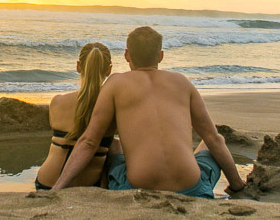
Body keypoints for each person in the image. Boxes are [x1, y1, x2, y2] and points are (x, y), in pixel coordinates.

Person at [50, 26, 244, 199]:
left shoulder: (116, 83)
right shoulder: (182, 82)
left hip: (136, 189)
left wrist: (57, 188)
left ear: (127, 55)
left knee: (114, 146)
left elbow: (90, 141)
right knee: (210, 142)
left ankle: (107, 189)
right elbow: (213, 138)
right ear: (160, 56)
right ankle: (235, 187)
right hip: (192, 189)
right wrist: (237, 185)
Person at [33, 42, 116, 191]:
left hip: (46, 183)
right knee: (114, 145)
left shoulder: (57, 102)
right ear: (109, 70)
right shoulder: (113, 109)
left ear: (78, 66)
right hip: (87, 187)